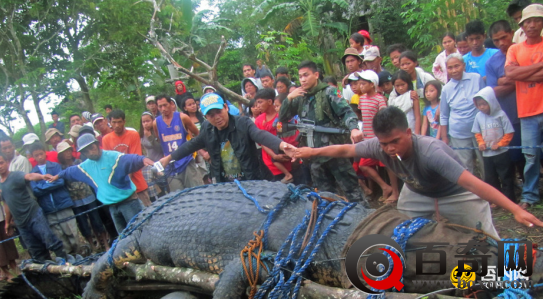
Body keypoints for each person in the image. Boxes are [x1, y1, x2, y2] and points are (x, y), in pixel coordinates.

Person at [293, 107, 543, 237]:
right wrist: (310, 152)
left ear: (409, 133)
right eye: (383, 143)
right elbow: (346, 149)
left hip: (455, 193)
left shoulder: (431, 151)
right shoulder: (378, 146)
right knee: (402, 231)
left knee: (489, 239)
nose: (389, 148)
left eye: (395, 141)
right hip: (416, 193)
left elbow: (473, 184)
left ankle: (510, 278)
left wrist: (516, 210)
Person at [279, 60, 366, 203]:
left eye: (306, 75)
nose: (303, 79)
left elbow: (346, 112)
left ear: (316, 75)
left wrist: (354, 129)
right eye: (300, 76)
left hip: (334, 151)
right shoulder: (300, 96)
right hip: (314, 155)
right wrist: (289, 98)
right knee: (325, 196)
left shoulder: (328, 92)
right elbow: (283, 117)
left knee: (352, 191)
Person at [158, 93, 293, 183]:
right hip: (225, 184)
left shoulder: (243, 123)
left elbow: (260, 135)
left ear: (226, 107)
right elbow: (191, 145)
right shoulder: (207, 129)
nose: (217, 117)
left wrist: (282, 146)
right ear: (205, 117)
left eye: (219, 111)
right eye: (211, 115)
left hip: (251, 179)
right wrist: (169, 158)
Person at [51, 134, 154, 234]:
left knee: (140, 231)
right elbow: (70, 171)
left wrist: (142, 159)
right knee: (124, 238)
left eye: (91, 148)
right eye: (86, 151)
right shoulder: (86, 166)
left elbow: (130, 159)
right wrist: (58, 176)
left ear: (96, 144)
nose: (90, 152)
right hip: (112, 207)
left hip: (129, 202)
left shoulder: (113, 157)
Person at [505, 3, 543, 209]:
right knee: (530, 155)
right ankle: (529, 195)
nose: (532, 25)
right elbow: (510, 74)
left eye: (537, 20)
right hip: (527, 111)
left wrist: (523, 71)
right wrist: (538, 67)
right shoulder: (515, 48)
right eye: (528, 21)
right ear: (522, 25)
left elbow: (517, 73)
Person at [0, 153, 70, 263]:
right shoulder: (1, 185)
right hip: (20, 222)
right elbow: (6, 204)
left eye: (1, 163)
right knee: (35, 249)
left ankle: (65, 262)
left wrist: (42, 176)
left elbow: (29, 176)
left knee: (49, 239)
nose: (0, 166)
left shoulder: (15, 176)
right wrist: (7, 223)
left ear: (7, 163)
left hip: (33, 214)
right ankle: (47, 272)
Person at [486, 20, 524, 189]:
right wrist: (520, 79)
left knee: (534, 151)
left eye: (504, 37)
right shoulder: (492, 62)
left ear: (512, 33)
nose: (501, 43)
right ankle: (519, 185)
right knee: (515, 154)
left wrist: (507, 81)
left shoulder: (524, 51)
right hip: (509, 114)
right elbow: (494, 91)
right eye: (496, 40)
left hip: (531, 109)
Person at [354, 70, 398, 201]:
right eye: (360, 84)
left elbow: (384, 118)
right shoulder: (361, 99)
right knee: (364, 165)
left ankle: (395, 192)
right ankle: (385, 187)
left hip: (379, 139)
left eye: (363, 84)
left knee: (387, 165)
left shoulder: (379, 99)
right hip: (367, 139)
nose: (361, 87)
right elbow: (363, 118)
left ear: (372, 84)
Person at [56, 141, 109, 252]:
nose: (67, 153)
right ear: (60, 155)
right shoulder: (61, 169)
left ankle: (104, 242)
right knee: (83, 224)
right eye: (64, 152)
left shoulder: (80, 162)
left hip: (89, 195)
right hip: (75, 200)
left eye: (69, 150)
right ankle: (93, 245)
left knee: (96, 220)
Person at [440, 53, 485, 177]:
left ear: (463, 66)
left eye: (457, 66)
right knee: (465, 166)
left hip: (480, 131)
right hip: (458, 133)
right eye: (450, 68)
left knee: (484, 163)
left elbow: (486, 102)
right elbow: (444, 115)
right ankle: (470, 194)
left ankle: (489, 192)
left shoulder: (476, 78)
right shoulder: (446, 89)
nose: (454, 70)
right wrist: (445, 137)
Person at [29, 143, 79, 255]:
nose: (40, 157)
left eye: (41, 154)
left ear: (45, 152)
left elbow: (60, 181)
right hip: (48, 208)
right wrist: (51, 183)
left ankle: (79, 253)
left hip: (63, 204)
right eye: (36, 155)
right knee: (59, 235)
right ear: (33, 157)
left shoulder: (55, 166)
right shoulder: (33, 173)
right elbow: (35, 191)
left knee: (72, 232)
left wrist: (43, 186)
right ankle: (69, 257)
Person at [471, 87, 516, 203]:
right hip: (487, 154)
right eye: (479, 105)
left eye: (484, 104)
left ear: (491, 102)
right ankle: (496, 200)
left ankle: (509, 200)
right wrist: (481, 143)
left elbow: (509, 132)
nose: (481, 107)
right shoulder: (478, 117)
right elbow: (477, 132)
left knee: (505, 176)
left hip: (502, 153)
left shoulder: (501, 115)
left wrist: (501, 144)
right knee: (491, 178)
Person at [102, 109, 151, 207]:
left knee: (148, 212)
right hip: (120, 188)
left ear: (124, 121)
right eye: (114, 122)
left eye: (119, 122)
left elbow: (134, 160)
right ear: (109, 123)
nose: (117, 125)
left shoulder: (133, 135)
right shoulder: (106, 139)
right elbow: (109, 164)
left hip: (137, 184)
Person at [153, 95, 203, 191]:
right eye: (160, 106)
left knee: (196, 192)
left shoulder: (182, 117)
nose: (163, 109)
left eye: (165, 105)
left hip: (186, 161)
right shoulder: (156, 123)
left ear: (171, 104)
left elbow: (198, 134)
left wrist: (198, 152)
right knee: (179, 197)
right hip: (170, 165)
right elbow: (160, 141)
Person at [254, 89, 294, 183]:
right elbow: (262, 142)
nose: (258, 106)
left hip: (288, 156)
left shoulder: (281, 116)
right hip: (270, 161)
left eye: (260, 102)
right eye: (257, 103)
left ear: (269, 101)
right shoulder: (259, 120)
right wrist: (274, 156)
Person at [399, 51, 435, 122]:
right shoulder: (400, 81)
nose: (405, 67)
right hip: (411, 119)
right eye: (402, 65)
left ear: (415, 63)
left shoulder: (425, 78)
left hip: (429, 115)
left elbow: (439, 92)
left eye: (408, 63)